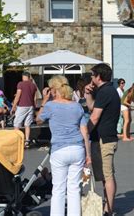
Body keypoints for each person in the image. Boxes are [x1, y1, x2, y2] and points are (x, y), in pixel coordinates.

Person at [36, 75, 91, 216]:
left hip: (59, 149)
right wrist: (88, 154)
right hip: (77, 148)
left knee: (58, 189)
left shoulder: (50, 106)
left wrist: (44, 101)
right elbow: (85, 131)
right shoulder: (77, 106)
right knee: (74, 189)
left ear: (53, 89)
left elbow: (38, 120)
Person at [84, 63, 120, 215]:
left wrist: (83, 133)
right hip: (104, 138)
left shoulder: (106, 91)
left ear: (99, 76)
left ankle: (108, 210)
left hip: (105, 138)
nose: (91, 78)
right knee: (105, 176)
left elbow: (94, 116)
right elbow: (93, 107)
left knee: (107, 175)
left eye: (92, 75)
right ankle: (108, 206)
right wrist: (87, 93)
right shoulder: (106, 91)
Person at [11, 71, 38, 148]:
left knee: (17, 124)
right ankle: (27, 141)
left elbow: (18, 95)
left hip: (22, 106)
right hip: (31, 106)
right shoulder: (33, 85)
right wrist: (34, 107)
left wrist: (14, 106)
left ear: (23, 77)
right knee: (27, 124)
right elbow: (35, 98)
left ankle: (16, 141)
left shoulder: (20, 84)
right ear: (29, 77)